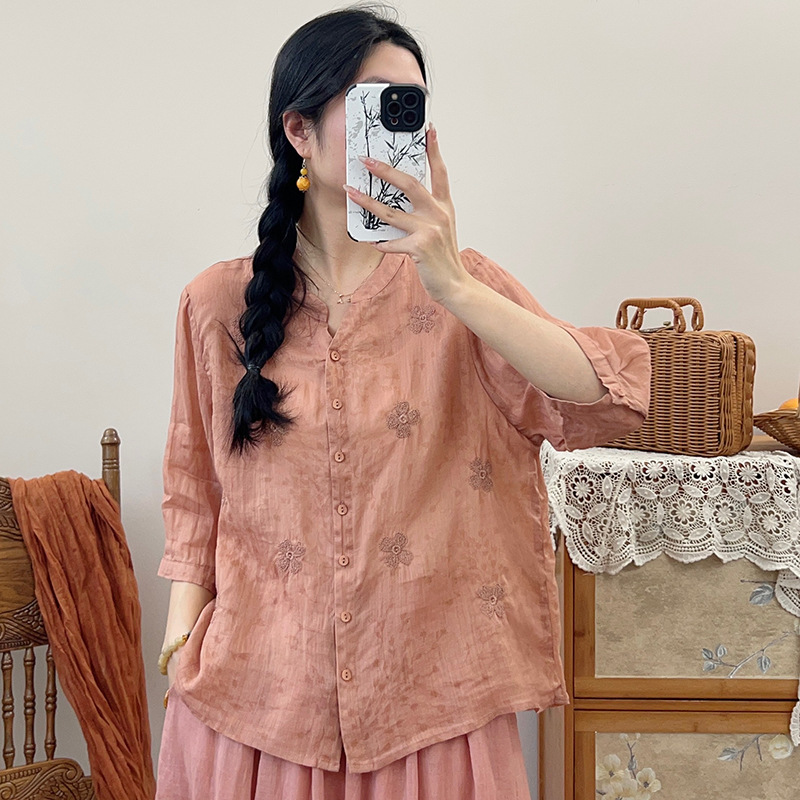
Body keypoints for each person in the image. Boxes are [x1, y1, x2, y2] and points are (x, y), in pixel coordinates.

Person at [154, 6, 651, 800]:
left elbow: (606, 401)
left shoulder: (466, 291)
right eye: (374, 102)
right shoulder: (217, 304)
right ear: (299, 130)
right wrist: (182, 640)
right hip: (254, 713)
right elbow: (196, 492)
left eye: (411, 105)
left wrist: (452, 283)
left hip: (432, 714)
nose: (399, 124)